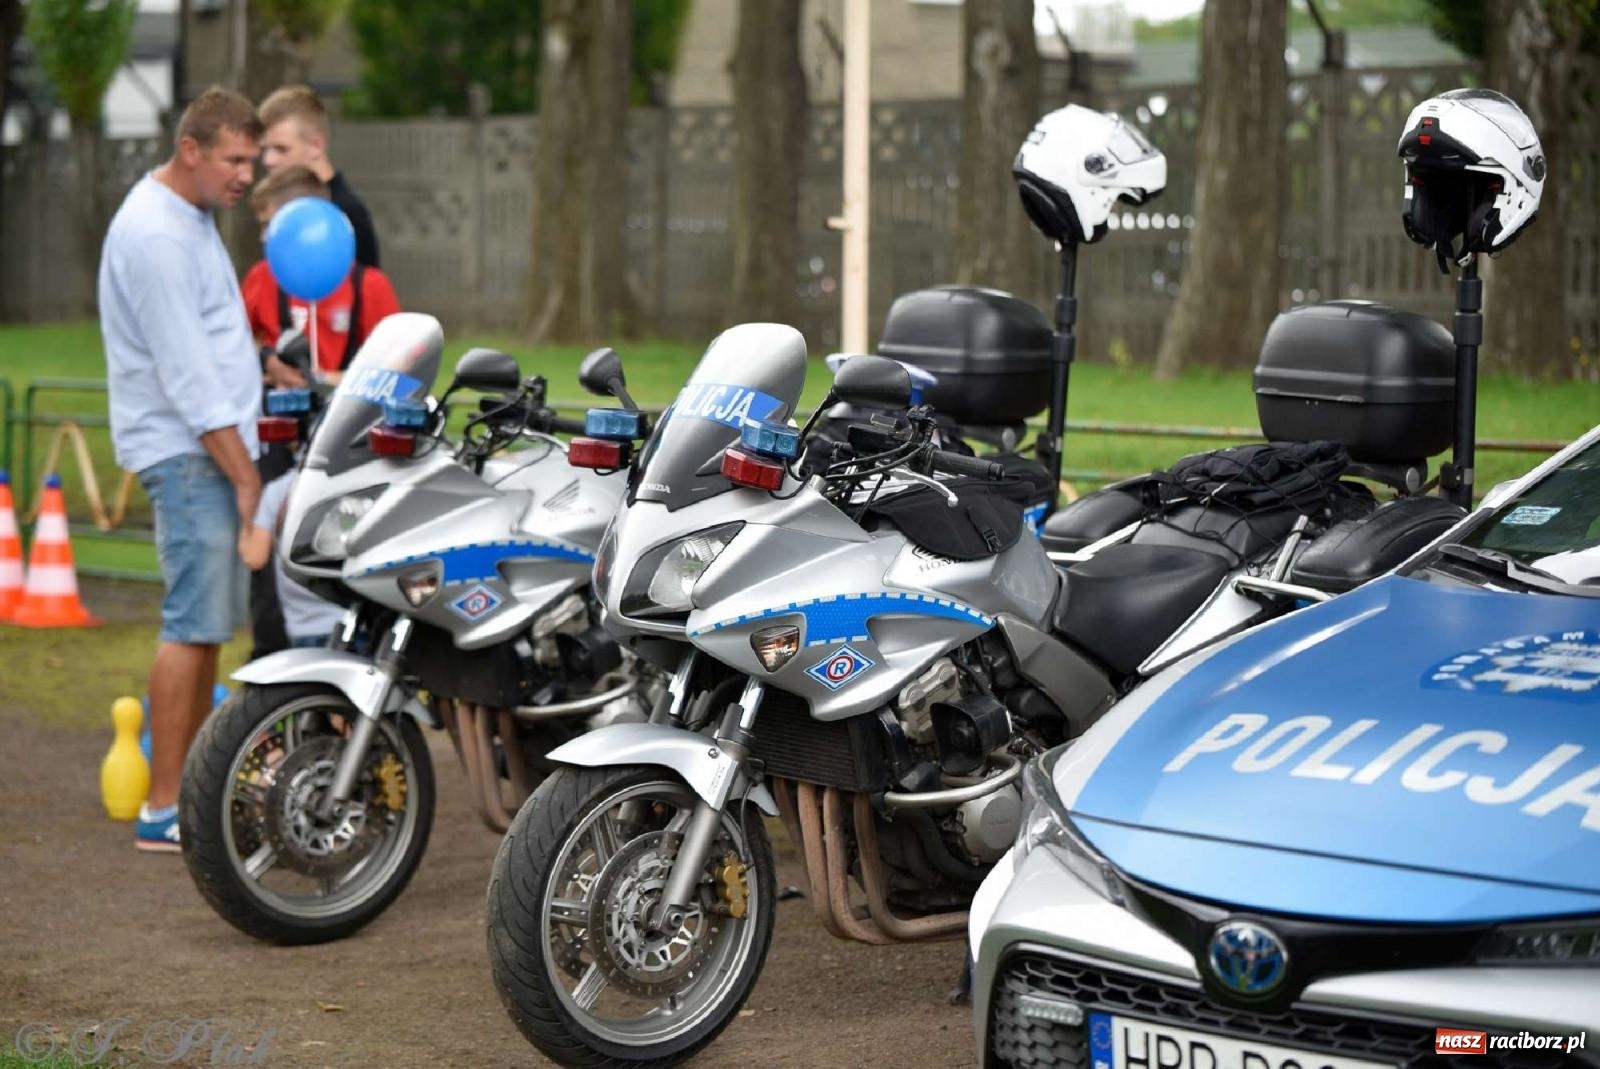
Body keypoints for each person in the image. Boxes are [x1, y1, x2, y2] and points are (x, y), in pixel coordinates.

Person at [99, 86, 264, 853]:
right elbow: (189, 380)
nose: (246, 176)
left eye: (253, 161)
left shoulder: (188, 216)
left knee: (205, 631)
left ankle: (188, 794)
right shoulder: (157, 234)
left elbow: (213, 343)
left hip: (204, 450)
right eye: (235, 159)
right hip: (192, 453)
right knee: (190, 627)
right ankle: (166, 805)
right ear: (190, 149)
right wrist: (243, 476)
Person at [242, 165, 401, 386]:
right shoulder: (261, 276)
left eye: (270, 225)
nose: (263, 237)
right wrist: (266, 360)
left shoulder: (370, 285)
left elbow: (399, 373)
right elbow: (229, 346)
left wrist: (323, 380)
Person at [257, 85, 380, 269]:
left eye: (281, 149)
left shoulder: (347, 213)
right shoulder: (280, 205)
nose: (268, 160)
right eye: (264, 149)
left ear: (316, 146)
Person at [239, 469, 345, 650]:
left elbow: (254, 557)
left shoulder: (278, 489)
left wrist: (246, 513)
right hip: (359, 619)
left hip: (305, 628)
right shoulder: (358, 479)